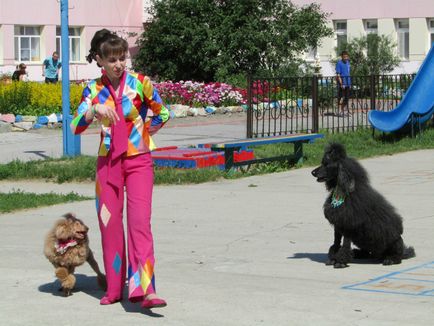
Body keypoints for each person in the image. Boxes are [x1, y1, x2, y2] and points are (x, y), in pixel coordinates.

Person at [70, 29, 170, 309]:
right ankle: (114, 288)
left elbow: (163, 112)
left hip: (139, 162)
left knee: (140, 224)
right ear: (99, 60)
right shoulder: (93, 90)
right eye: (111, 59)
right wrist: (94, 111)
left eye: (122, 58)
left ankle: (146, 289)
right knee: (109, 226)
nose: (118, 64)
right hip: (107, 165)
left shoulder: (141, 83)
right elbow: (75, 125)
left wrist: (142, 133)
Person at [335, 50, 351, 116]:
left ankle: (344, 110)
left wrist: (350, 83)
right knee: (340, 97)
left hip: (348, 82)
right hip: (342, 83)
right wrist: (341, 83)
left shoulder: (348, 62)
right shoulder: (339, 63)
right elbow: (338, 74)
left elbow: (348, 72)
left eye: (346, 57)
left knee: (347, 98)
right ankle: (340, 111)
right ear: (342, 57)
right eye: (344, 57)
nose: (346, 58)